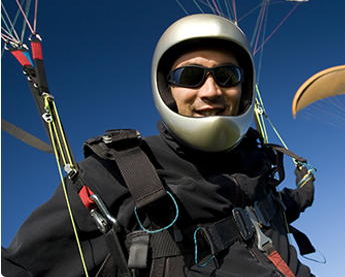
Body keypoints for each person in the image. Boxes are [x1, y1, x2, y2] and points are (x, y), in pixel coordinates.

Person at [2, 14, 316, 277]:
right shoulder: (113, 173)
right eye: (190, 76)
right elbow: (20, 266)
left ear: (244, 88)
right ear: (167, 89)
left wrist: (304, 190)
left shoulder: (255, 160)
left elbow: (272, 205)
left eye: (227, 75)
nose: (211, 91)